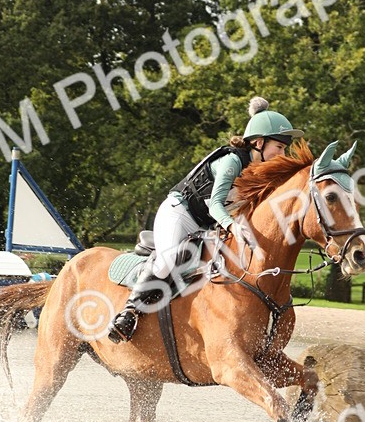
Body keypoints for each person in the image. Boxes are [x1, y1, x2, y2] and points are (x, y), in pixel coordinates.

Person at [108, 97, 302, 342]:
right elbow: (216, 206)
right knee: (169, 260)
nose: (282, 154)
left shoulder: (262, 172)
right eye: (279, 147)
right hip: (180, 212)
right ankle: (129, 312)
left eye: (284, 149)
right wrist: (232, 225)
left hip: (207, 226)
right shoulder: (232, 161)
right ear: (259, 142)